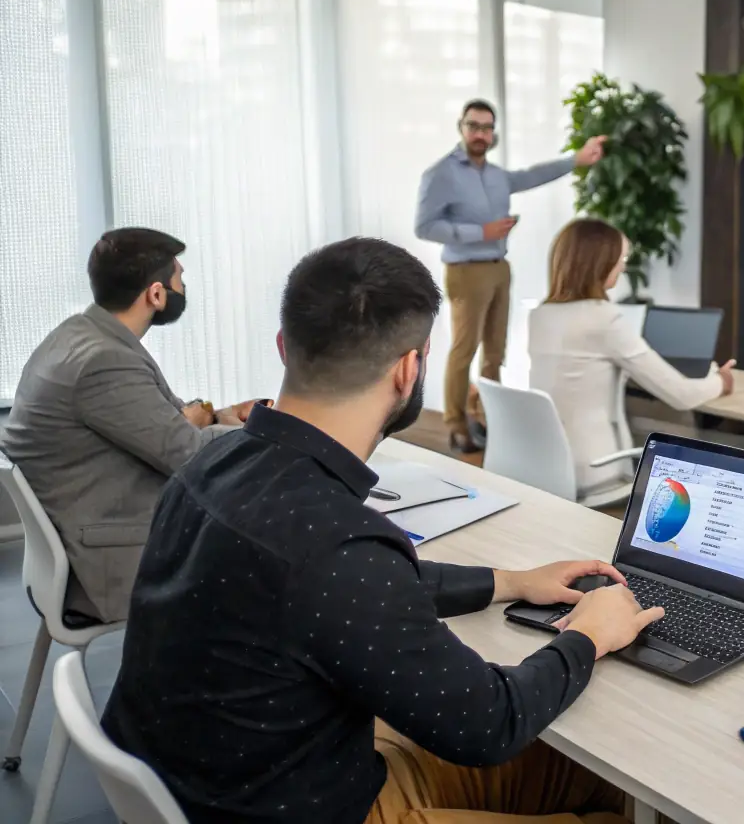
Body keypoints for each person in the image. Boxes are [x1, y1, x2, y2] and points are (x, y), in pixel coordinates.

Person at [102, 237, 664, 824]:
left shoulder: (210, 466)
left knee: (597, 782)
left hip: (222, 786)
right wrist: (589, 638)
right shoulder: (336, 544)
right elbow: (490, 724)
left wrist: (509, 581)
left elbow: (341, 587)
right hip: (319, 808)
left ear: (283, 347)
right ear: (408, 369)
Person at [0, 228, 260, 624]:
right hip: (108, 566)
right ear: (156, 294)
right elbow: (189, 455)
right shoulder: (104, 362)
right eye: (180, 280)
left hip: (76, 544)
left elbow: (172, 420)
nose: (183, 287)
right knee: (273, 564)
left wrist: (224, 415)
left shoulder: (80, 335)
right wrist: (265, 430)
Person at [415, 99, 607, 454]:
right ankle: (456, 424)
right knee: (464, 350)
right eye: (474, 126)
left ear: (494, 133)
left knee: (496, 351)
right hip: (466, 271)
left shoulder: (495, 175)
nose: (480, 134)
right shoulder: (440, 174)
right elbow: (424, 227)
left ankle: (487, 416)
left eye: (487, 128)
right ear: (461, 127)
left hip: (499, 268)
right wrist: (480, 231)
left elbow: (531, 176)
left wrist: (575, 160)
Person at [529, 219, 735, 501]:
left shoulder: (540, 316)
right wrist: (719, 381)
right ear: (600, 263)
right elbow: (681, 395)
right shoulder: (604, 318)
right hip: (598, 474)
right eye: (621, 258)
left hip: (545, 465)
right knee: (680, 421)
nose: (624, 266)